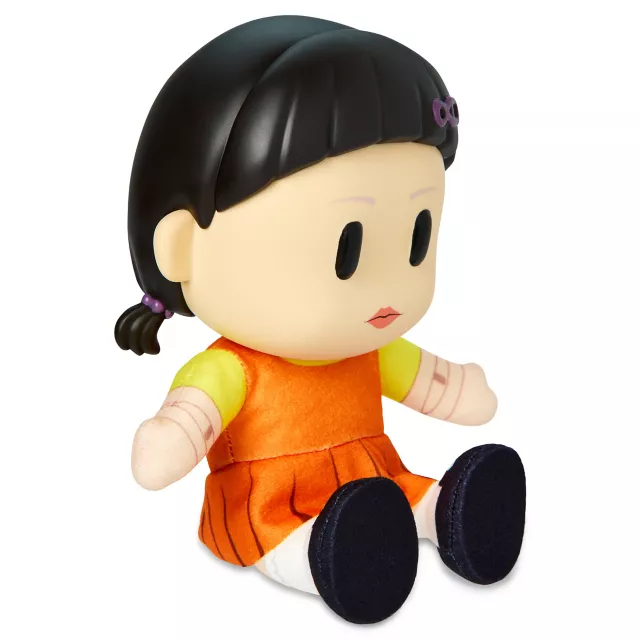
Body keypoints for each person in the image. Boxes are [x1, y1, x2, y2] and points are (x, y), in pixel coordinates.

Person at [115, 15, 526, 624]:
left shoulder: (370, 347)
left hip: (370, 473)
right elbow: (187, 425)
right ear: (181, 247)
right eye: (346, 250)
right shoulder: (232, 370)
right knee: (293, 534)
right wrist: (172, 437)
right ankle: (327, 560)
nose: (386, 290)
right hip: (268, 499)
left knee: (400, 491)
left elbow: (430, 380)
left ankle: (450, 515)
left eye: (418, 240)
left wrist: (462, 386)